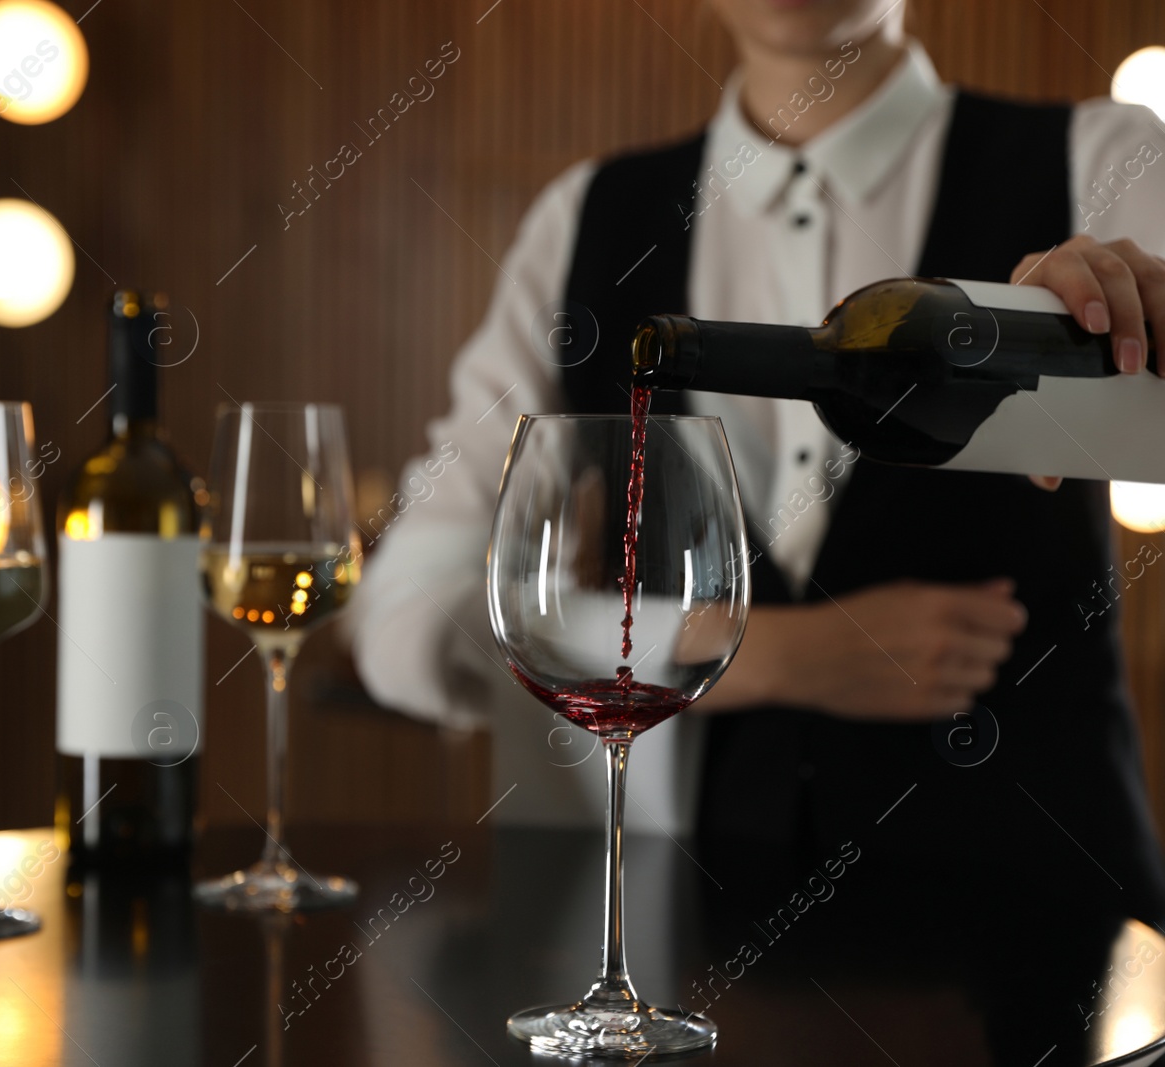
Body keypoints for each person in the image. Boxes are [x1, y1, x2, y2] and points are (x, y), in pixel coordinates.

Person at [346, 0, 1165, 919]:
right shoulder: (585, 216)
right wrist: (752, 653)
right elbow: (399, 624)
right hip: (701, 955)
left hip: (1047, 939)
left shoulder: (1107, 161)